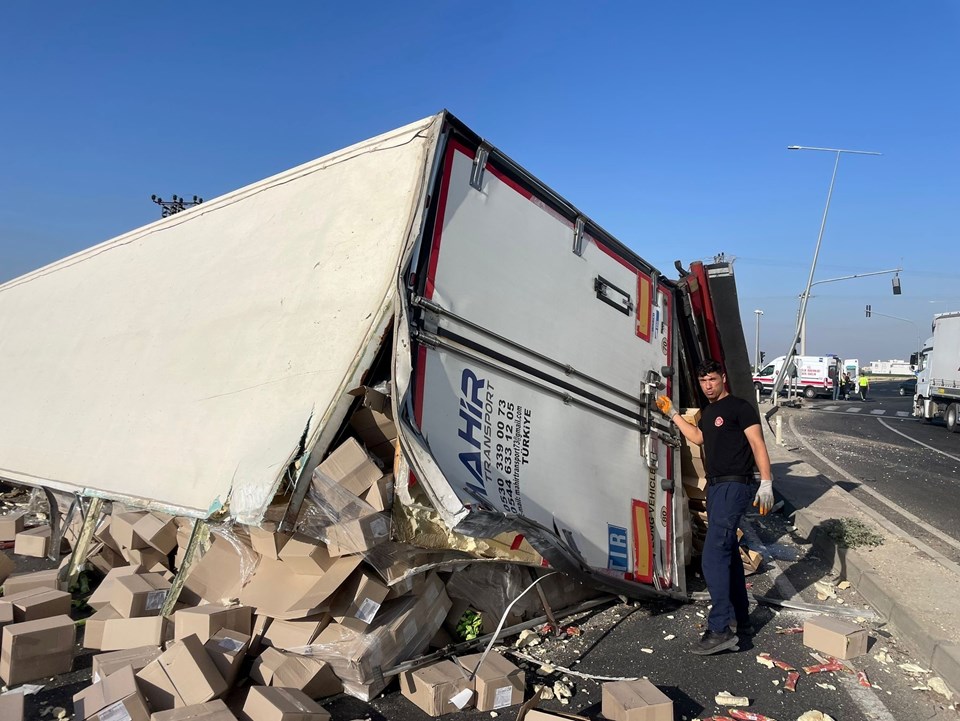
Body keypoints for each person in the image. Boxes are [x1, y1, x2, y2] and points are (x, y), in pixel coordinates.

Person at [656, 359, 774, 655]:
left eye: (712, 379)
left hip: (735, 485)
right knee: (728, 554)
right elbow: (698, 437)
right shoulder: (708, 413)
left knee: (712, 556)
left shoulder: (740, 408)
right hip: (717, 487)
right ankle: (741, 620)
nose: (708, 386)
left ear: (723, 378)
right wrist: (672, 414)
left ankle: (720, 629)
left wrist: (766, 482)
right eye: (703, 381)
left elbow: (757, 444)